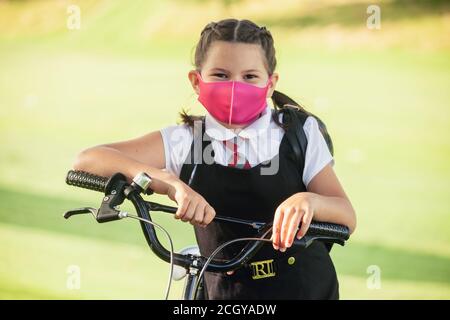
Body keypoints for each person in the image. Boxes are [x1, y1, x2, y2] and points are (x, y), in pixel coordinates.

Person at [73, 18, 356, 300]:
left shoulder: (298, 133)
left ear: (270, 84)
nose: (235, 87)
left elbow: (346, 216)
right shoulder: (184, 140)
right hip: (224, 293)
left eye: (249, 77)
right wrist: (168, 183)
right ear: (197, 81)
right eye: (221, 75)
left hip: (307, 289)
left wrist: (310, 201)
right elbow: (88, 160)